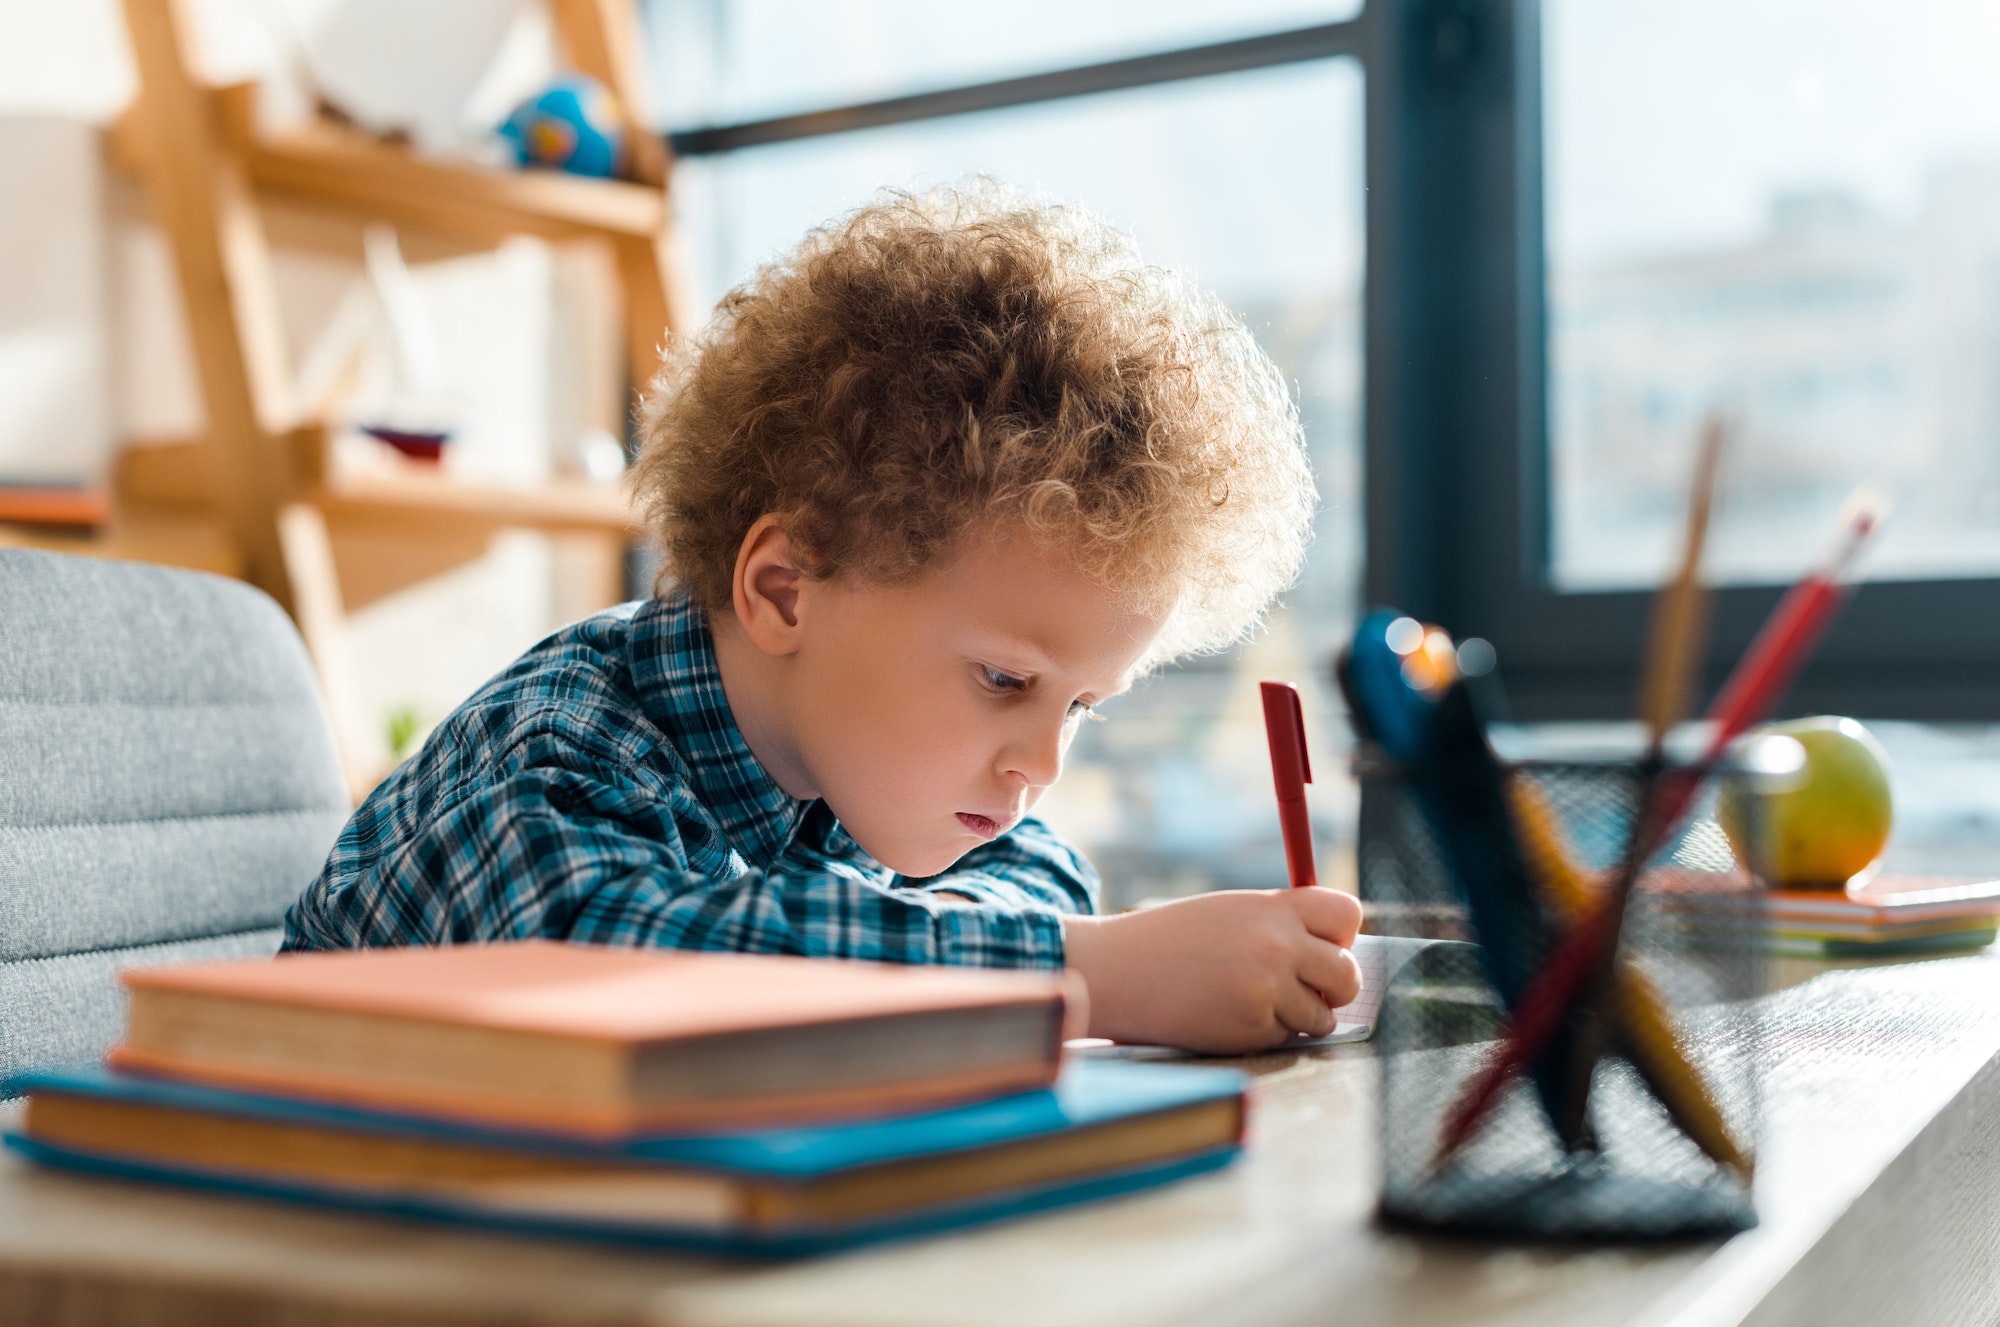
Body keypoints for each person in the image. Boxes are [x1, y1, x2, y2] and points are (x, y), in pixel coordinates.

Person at [283, 183, 1362, 1053]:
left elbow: (1043, 872)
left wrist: (1066, 948)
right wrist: (1087, 975)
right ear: (784, 590)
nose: (1039, 761)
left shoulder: (863, 755)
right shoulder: (558, 749)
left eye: (1081, 704)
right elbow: (617, 968)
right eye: (1003, 681)